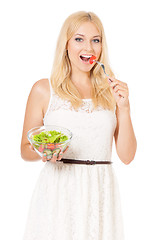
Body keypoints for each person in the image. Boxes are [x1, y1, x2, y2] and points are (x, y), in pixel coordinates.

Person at [21, 11, 137, 240]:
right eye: (79, 39)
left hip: (101, 193)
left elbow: (127, 156)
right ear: (65, 44)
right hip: (59, 191)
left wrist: (124, 108)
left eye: (96, 40)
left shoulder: (110, 91)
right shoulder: (44, 89)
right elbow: (25, 148)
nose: (89, 48)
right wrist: (44, 152)